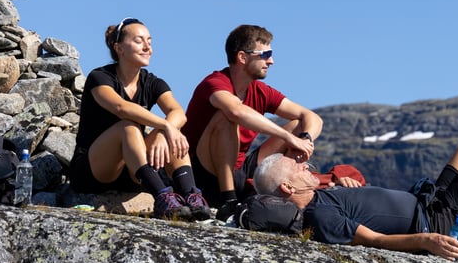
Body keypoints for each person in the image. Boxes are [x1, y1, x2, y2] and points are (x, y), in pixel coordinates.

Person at [251, 139, 458, 263]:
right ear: (287, 187)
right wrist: (427, 242)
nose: (303, 165)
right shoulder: (319, 215)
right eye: (294, 167)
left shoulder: (323, 197)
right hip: (435, 224)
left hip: (428, 203)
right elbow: (375, 241)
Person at [67, 17, 211, 220]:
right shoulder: (100, 77)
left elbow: (178, 112)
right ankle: (163, 197)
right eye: (139, 41)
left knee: (173, 132)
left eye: (149, 41)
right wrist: (163, 126)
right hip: (94, 171)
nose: (147, 47)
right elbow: (121, 107)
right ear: (119, 48)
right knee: (128, 127)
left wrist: (163, 132)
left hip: (134, 170)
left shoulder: (152, 82)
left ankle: (192, 197)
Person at [183, 24, 323, 220]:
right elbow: (236, 110)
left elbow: (311, 116)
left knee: (297, 125)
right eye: (265, 55)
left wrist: (304, 138)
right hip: (205, 172)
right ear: (242, 57)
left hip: (240, 170)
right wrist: (286, 137)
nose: (271, 61)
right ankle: (228, 201)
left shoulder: (260, 90)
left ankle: (285, 195)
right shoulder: (215, 83)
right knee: (226, 117)